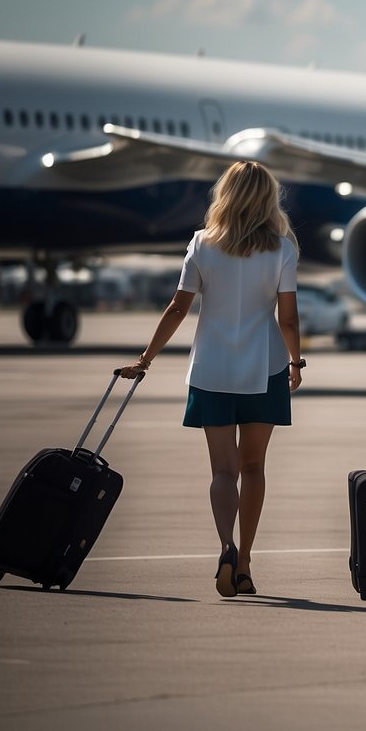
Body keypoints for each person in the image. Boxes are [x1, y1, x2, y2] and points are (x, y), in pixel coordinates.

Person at [120, 161, 302, 598]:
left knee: (224, 470)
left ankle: (225, 544)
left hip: (211, 369)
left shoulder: (202, 244)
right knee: (254, 467)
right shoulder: (282, 247)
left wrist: (146, 358)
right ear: (267, 198)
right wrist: (297, 362)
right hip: (266, 368)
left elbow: (178, 309)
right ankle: (244, 563)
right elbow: (288, 316)